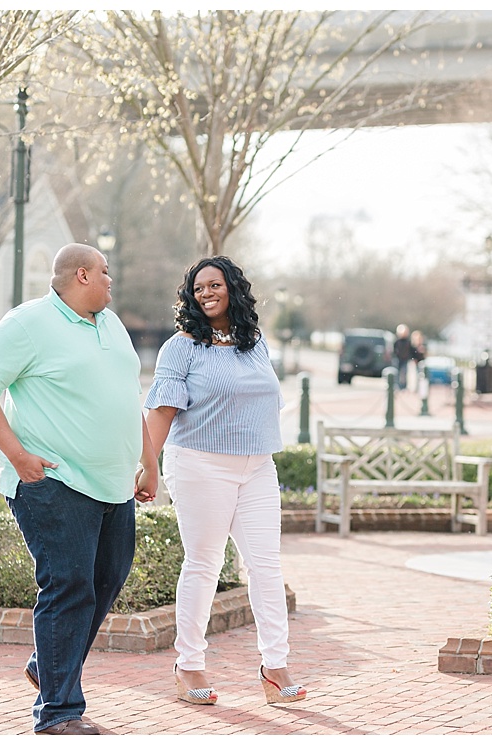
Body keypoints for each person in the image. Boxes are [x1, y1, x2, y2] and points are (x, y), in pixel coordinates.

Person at [0, 243, 155, 735]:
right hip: (54, 481)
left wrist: (149, 463)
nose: (113, 281)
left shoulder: (110, 325)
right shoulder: (26, 324)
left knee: (107, 580)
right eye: (107, 273)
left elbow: (126, 398)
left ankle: (45, 666)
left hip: (113, 484)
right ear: (83, 274)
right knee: (69, 586)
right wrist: (18, 455)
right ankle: (59, 712)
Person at [138, 256, 307, 708]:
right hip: (199, 464)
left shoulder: (256, 343)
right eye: (198, 288)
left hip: (257, 467)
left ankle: (276, 667)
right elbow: (162, 411)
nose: (206, 293)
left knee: (266, 567)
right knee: (204, 564)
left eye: (214, 284)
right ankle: (189, 664)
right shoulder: (182, 347)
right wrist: (146, 466)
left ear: (233, 287)